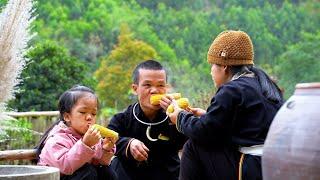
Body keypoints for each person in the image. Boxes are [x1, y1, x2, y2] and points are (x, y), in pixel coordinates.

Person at [167, 30, 284, 180]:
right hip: (274, 164)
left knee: (194, 146)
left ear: (224, 67)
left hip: (251, 167)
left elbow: (204, 132)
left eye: (212, 65)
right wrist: (206, 116)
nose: (211, 71)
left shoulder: (231, 90)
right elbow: (248, 125)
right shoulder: (264, 84)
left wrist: (180, 118)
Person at [108, 60, 187, 180]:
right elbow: (107, 138)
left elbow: (183, 143)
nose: (154, 90)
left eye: (160, 85)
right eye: (147, 85)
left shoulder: (175, 115)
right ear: (135, 89)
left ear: (166, 88)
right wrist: (128, 144)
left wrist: (177, 119)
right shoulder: (122, 119)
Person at [35, 85, 117, 180]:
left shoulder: (93, 138)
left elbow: (100, 163)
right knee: (87, 172)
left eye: (93, 114)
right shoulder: (56, 139)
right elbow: (66, 167)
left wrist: (106, 149)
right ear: (67, 117)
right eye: (83, 112)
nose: (89, 117)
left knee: (106, 171)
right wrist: (85, 145)